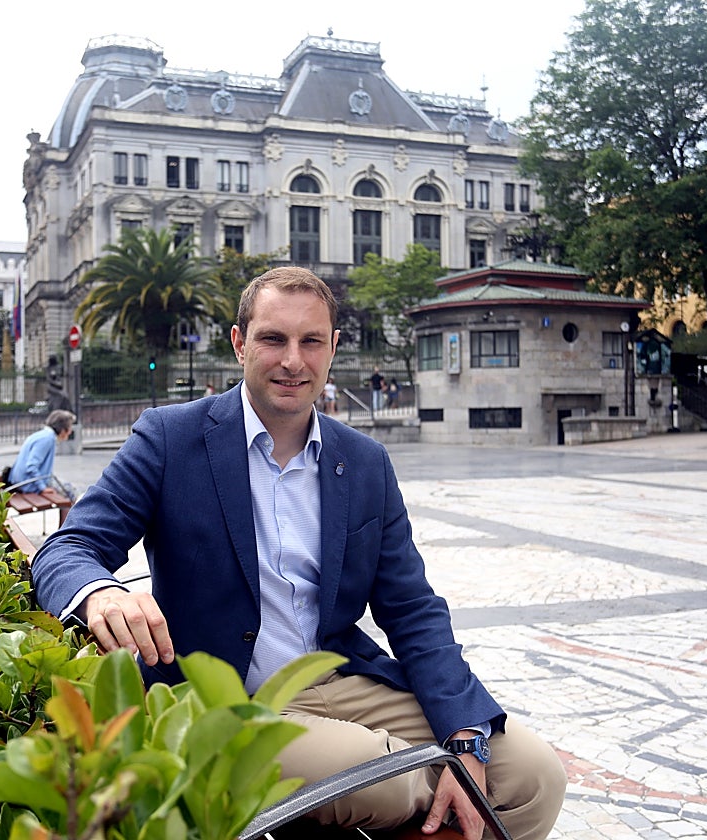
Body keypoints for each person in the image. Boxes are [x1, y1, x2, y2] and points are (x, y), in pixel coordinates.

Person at [30, 267, 564, 839]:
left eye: (311, 341)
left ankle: (441, 766)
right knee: (389, 779)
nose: (293, 360)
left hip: (340, 682)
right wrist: (102, 592)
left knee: (535, 777)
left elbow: (411, 608)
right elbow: (69, 547)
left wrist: (464, 731)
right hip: (230, 697)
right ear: (239, 344)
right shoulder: (171, 438)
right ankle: (425, 774)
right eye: (273, 339)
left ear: (333, 347)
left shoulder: (363, 462)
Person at [8, 409, 75, 494]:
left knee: (64, 485)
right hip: (27, 485)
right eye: (70, 428)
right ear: (63, 430)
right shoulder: (47, 439)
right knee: (71, 491)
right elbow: (31, 466)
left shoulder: (42, 435)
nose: (70, 432)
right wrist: (43, 488)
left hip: (21, 482)